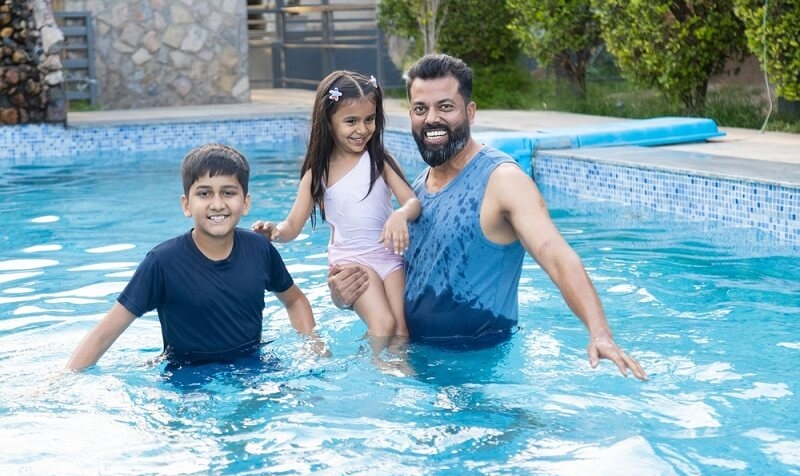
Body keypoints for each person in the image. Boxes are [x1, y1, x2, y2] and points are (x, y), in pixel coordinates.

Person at [328, 54, 648, 381]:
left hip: (478, 368)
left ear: (470, 112)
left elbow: (557, 255)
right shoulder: (415, 191)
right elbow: (389, 273)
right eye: (421, 109)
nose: (432, 119)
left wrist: (599, 333)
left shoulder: (502, 180)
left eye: (446, 107)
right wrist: (345, 296)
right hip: (416, 366)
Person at [66, 143, 318, 371]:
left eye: (228, 192)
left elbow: (294, 300)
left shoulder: (259, 249)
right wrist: (62, 381)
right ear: (186, 204)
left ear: (245, 203)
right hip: (187, 374)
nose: (217, 204)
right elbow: (104, 333)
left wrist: (312, 344)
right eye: (204, 193)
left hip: (251, 364)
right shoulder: (162, 263)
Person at [252, 70, 421, 343]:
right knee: (383, 324)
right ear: (329, 122)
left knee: (402, 330)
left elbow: (413, 202)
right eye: (351, 121)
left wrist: (400, 215)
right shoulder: (317, 174)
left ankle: (398, 376)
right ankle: (382, 377)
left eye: (370, 120)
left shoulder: (380, 161)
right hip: (353, 260)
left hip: (389, 257)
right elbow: (293, 226)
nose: (362, 129)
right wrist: (274, 232)